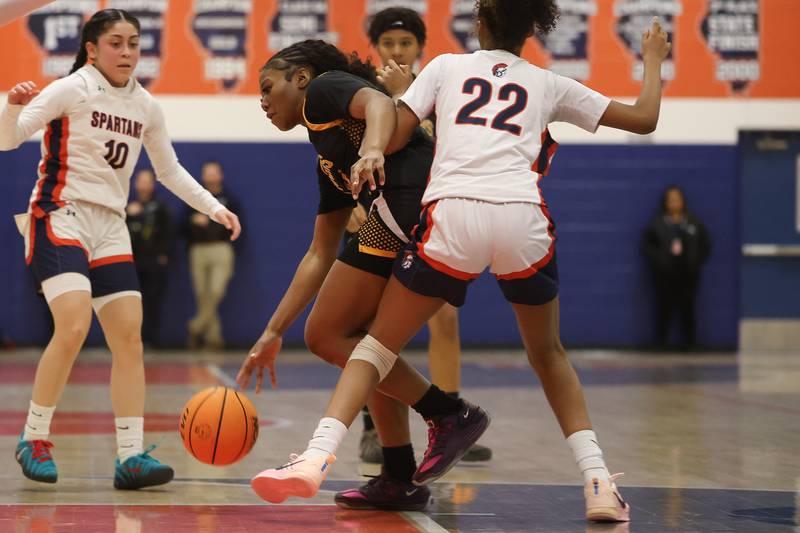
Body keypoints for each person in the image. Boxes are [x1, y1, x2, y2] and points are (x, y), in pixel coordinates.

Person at [242, 2, 671, 524]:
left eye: (266, 86)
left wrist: (383, 126)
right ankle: (590, 481)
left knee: (365, 343)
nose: (262, 98)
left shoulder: (384, 80)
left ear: (479, 26)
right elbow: (644, 119)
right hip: (519, 217)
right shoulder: (547, 82)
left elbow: (388, 123)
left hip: (437, 209)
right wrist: (652, 60)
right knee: (538, 352)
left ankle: (355, 446)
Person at [0, 9, 240, 489]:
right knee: (72, 326)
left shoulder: (147, 105)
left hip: (111, 223)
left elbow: (169, 171)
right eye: (116, 42)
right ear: (92, 48)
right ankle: (34, 438)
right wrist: (10, 106)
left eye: (134, 42)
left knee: (129, 338)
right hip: (60, 212)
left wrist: (214, 207)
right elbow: (8, 140)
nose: (127, 51)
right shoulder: (72, 88)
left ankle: (130, 456)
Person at [235, 39, 456, 511]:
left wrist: (373, 149)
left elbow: (377, 101)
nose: (262, 99)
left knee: (327, 334)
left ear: (300, 77)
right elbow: (319, 252)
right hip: (406, 209)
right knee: (353, 338)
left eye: (267, 85)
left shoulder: (325, 90)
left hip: (411, 200)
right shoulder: (327, 152)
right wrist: (273, 331)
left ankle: (448, 411)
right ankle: (398, 474)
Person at [355, 5, 492, 465]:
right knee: (375, 330)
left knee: (446, 320)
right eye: (389, 43)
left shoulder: (439, 93)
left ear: (419, 49)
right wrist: (356, 213)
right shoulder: (363, 94)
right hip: (378, 221)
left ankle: (450, 419)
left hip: (430, 222)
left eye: (405, 44)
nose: (396, 51)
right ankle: (373, 428)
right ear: (376, 48)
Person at [642, 186, 710, 350]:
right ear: (665, 203)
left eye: (677, 199)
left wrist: (696, 262)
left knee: (688, 309)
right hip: (665, 275)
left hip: (688, 274)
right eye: (671, 200)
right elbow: (647, 246)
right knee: (664, 308)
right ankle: (661, 344)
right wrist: (659, 260)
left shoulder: (693, 223)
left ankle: (690, 344)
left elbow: (706, 245)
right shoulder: (658, 224)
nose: (674, 203)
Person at [186, 161, 239, 350]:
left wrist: (215, 224)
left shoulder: (228, 199)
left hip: (221, 248)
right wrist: (193, 221)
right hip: (199, 249)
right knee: (203, 294)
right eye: (207, 173)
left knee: (216, 291)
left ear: (220, 175)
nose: (210, 176)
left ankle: (196, 325)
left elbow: (238, 225)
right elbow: (181, 226)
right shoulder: (194, 198)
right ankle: (213, 339)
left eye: (213, 173)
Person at [126, 168, 173, 347]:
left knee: (152, 300)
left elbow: (169, 231)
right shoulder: (127, 205)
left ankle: (151, 339)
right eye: (141, 181)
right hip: (132, 260)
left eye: (147, 181)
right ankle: (130, 338)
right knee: (130, 302)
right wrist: (129, 215)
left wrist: (164, 254)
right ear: (135, 184)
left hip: (153, 260)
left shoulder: (160, 206)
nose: (144, 185)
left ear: (152, 184)